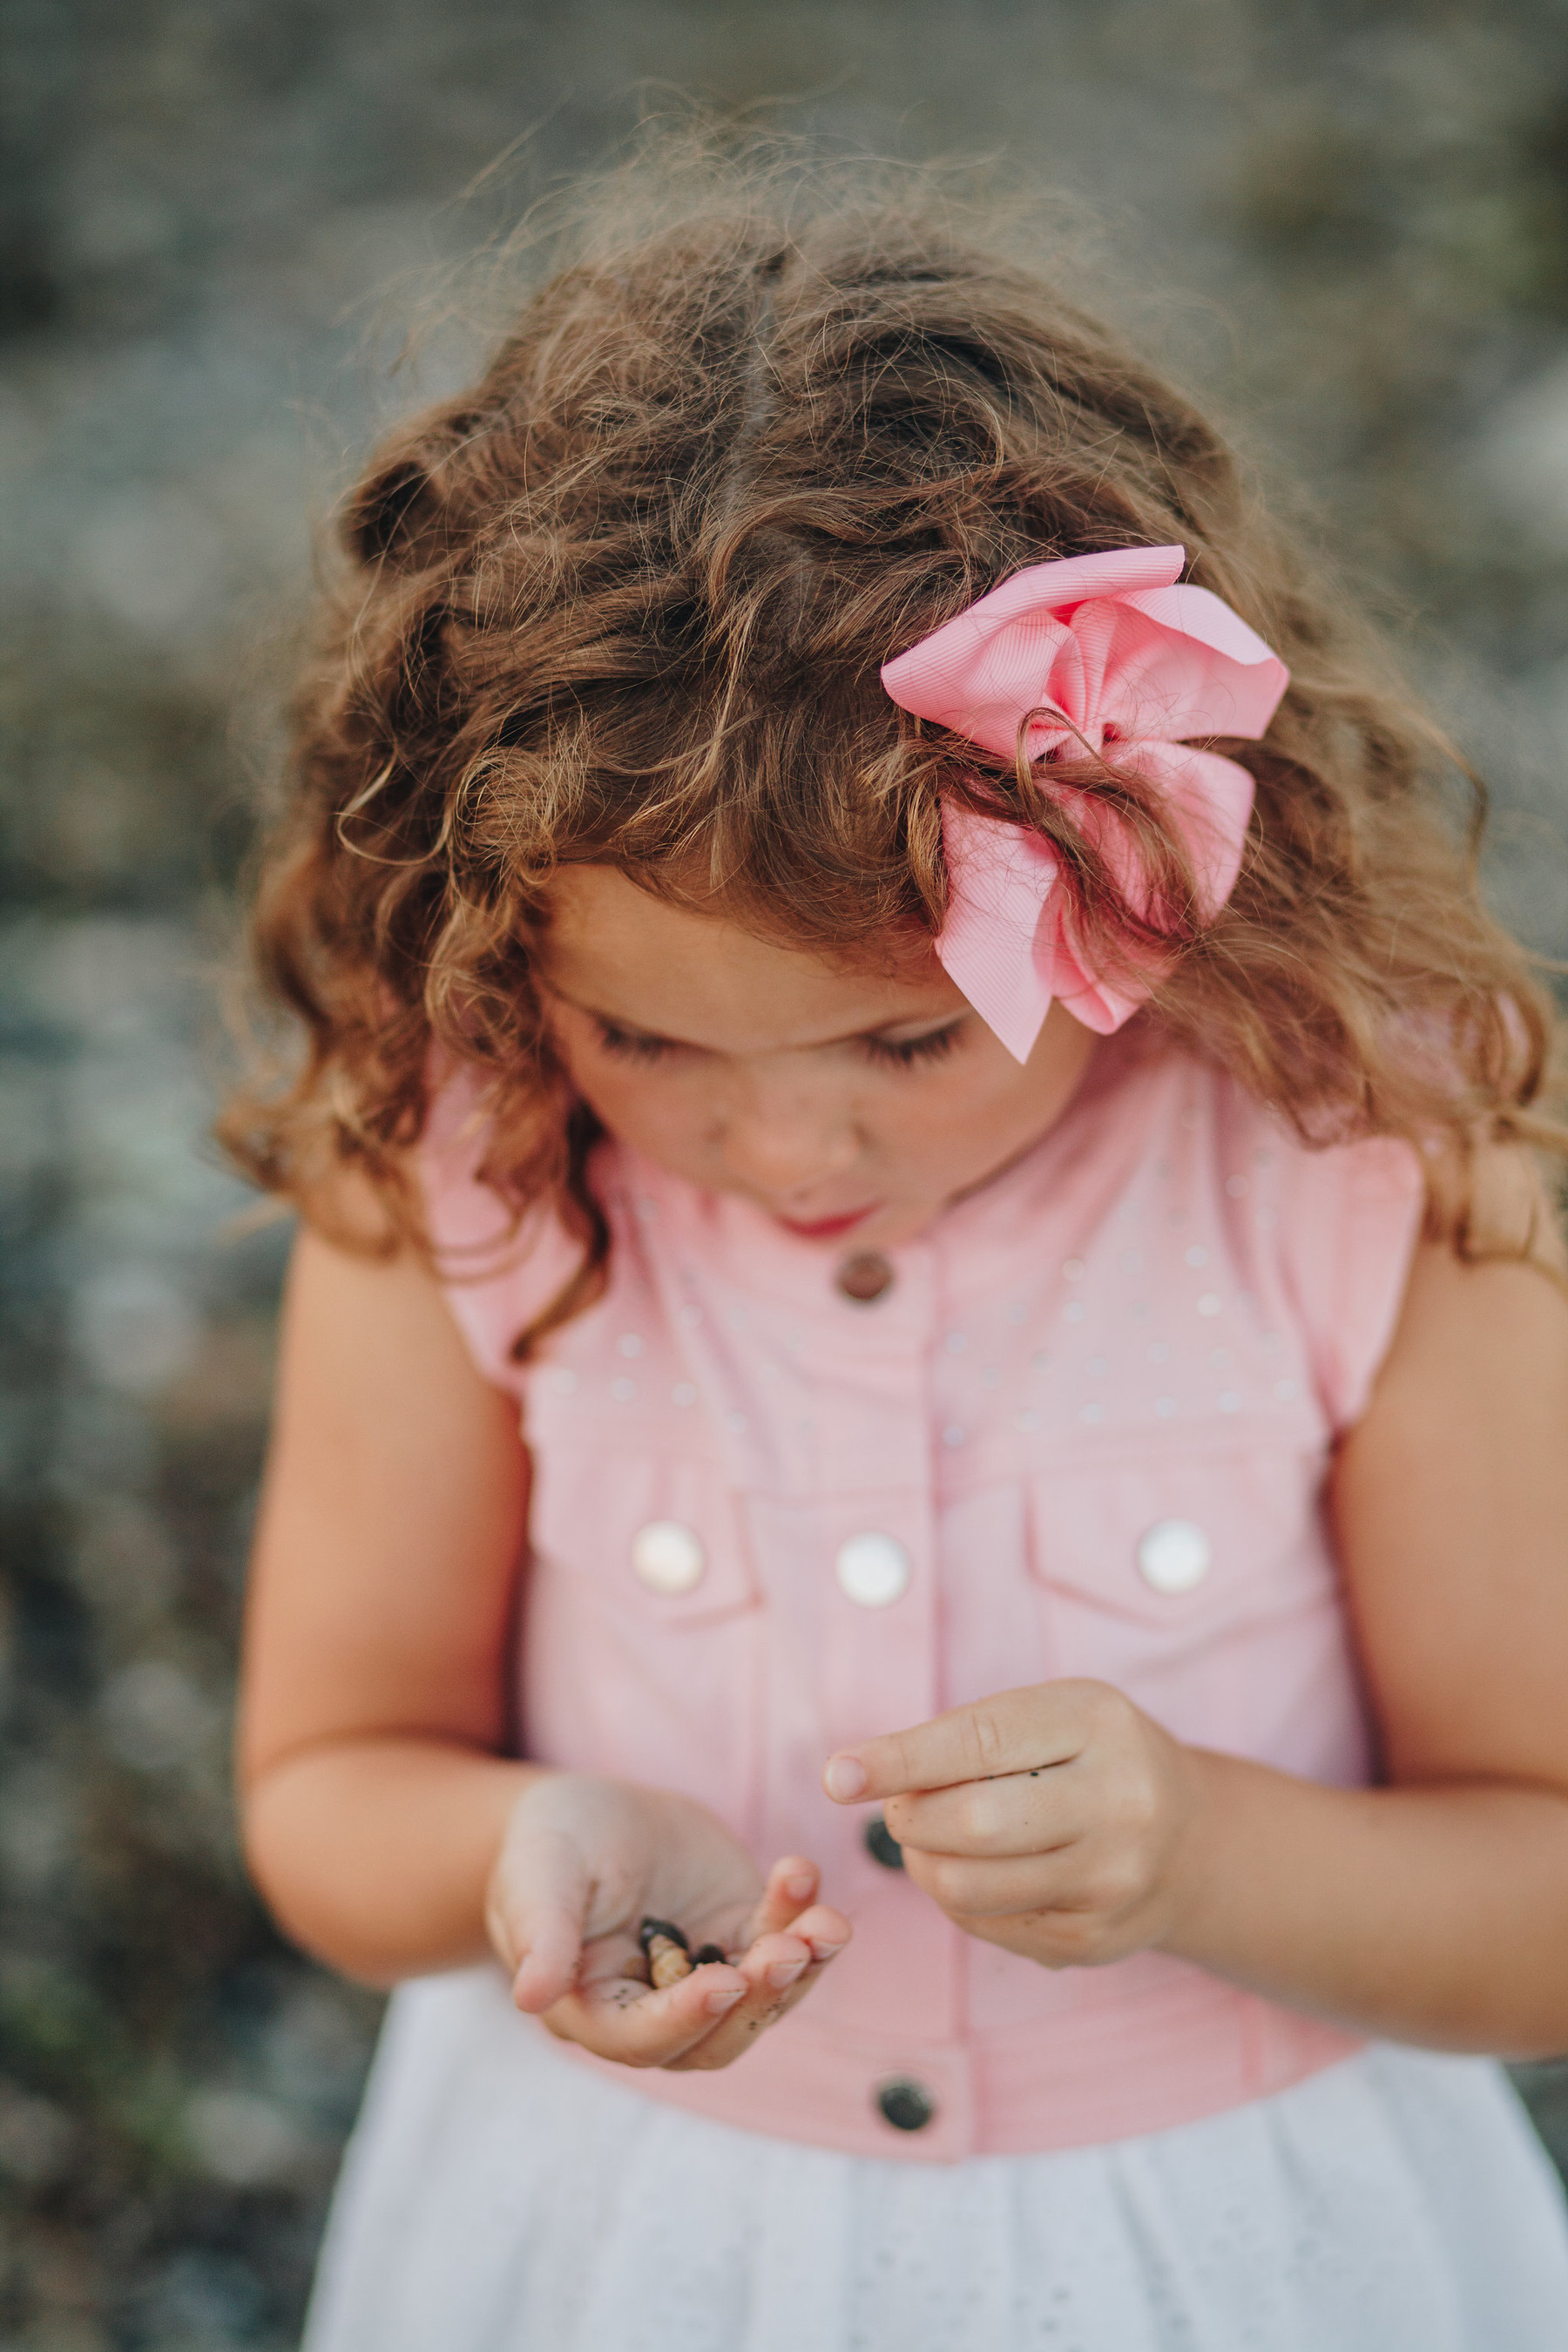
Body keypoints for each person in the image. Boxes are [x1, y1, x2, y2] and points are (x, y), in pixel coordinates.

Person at [225, 167, 1568, 2351]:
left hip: (1230, 2252)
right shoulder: (456, 1165)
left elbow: (1546, 1892)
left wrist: (1209, 1857)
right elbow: (321, 1790)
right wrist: (520, 1842)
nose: (783, 1138)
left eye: (914, 1035)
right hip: (637, 2242)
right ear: (493, 941)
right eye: (645, 1035)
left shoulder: (1366, 1162)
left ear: (1135, 864)